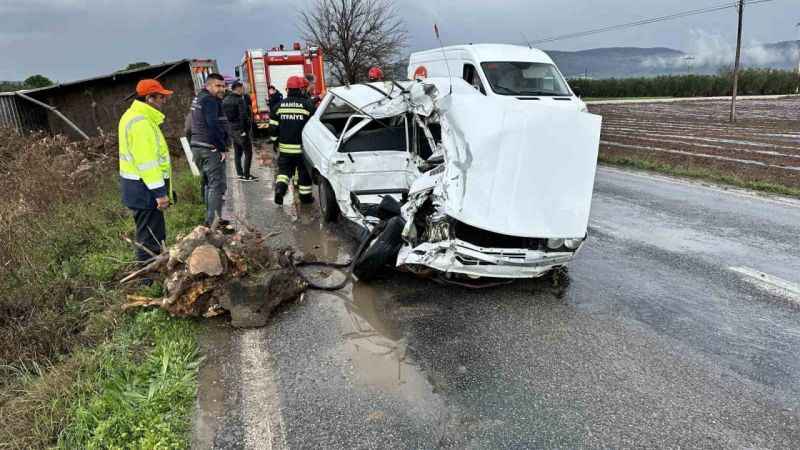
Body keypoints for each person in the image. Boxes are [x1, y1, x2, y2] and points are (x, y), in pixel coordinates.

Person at [118, 79, 173, 263]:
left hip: (139, 189)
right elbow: (147, 163)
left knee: (151, 235)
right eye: (161, 97)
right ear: (149, 98)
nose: (164, 101)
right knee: (150, 239)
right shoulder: (141, 123)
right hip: (145, 191)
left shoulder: (133, 116)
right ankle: (147, 280)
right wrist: (160, 193)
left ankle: (152, 274)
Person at [190, 73, 230, 227]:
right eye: (218, 86)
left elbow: (189, 125)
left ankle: (211, 219)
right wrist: (221, 148)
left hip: (197, 146)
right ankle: (213, 222)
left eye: (223, 85)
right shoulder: (210, 101)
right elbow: (213, 125)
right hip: (209, 147)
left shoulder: (199, 98)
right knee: (216, 185)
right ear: (208, 86)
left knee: (208, 184)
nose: (222, 89)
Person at [268, 76, 316, 205]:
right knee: (303, 172)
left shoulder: (278, 106)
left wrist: (275, 142)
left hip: (284, 149)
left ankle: (280, 190)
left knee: (284, 172)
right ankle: (305, 199)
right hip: (302, 149)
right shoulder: (307, 106)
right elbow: (314, 128)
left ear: (287, 89)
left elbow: (272, 129)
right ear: (301, 89)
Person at [223, 81, 258, 181]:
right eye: (242, 88)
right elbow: (243, 116)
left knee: (237, 152)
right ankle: (246, 175)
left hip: (232, 130)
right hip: (240, 130)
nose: (243, 90)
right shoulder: (239, 100)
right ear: (238, 88)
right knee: (248, 152)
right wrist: (244, 131)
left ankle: (239, 173)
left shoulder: (225, 100)